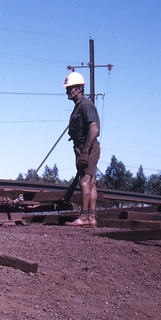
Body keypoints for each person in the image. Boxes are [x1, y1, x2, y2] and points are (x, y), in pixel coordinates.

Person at [64, 72, 100, 227]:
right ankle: (91, 218)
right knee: (90, 182)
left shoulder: (85, 105)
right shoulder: (80, 106)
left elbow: (94, 129)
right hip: (85, 148)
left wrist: (85, 152)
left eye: (70, 88)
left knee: (84, 181)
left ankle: (84, 217)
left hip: (87, 148)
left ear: (79, 89)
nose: (67, 91)